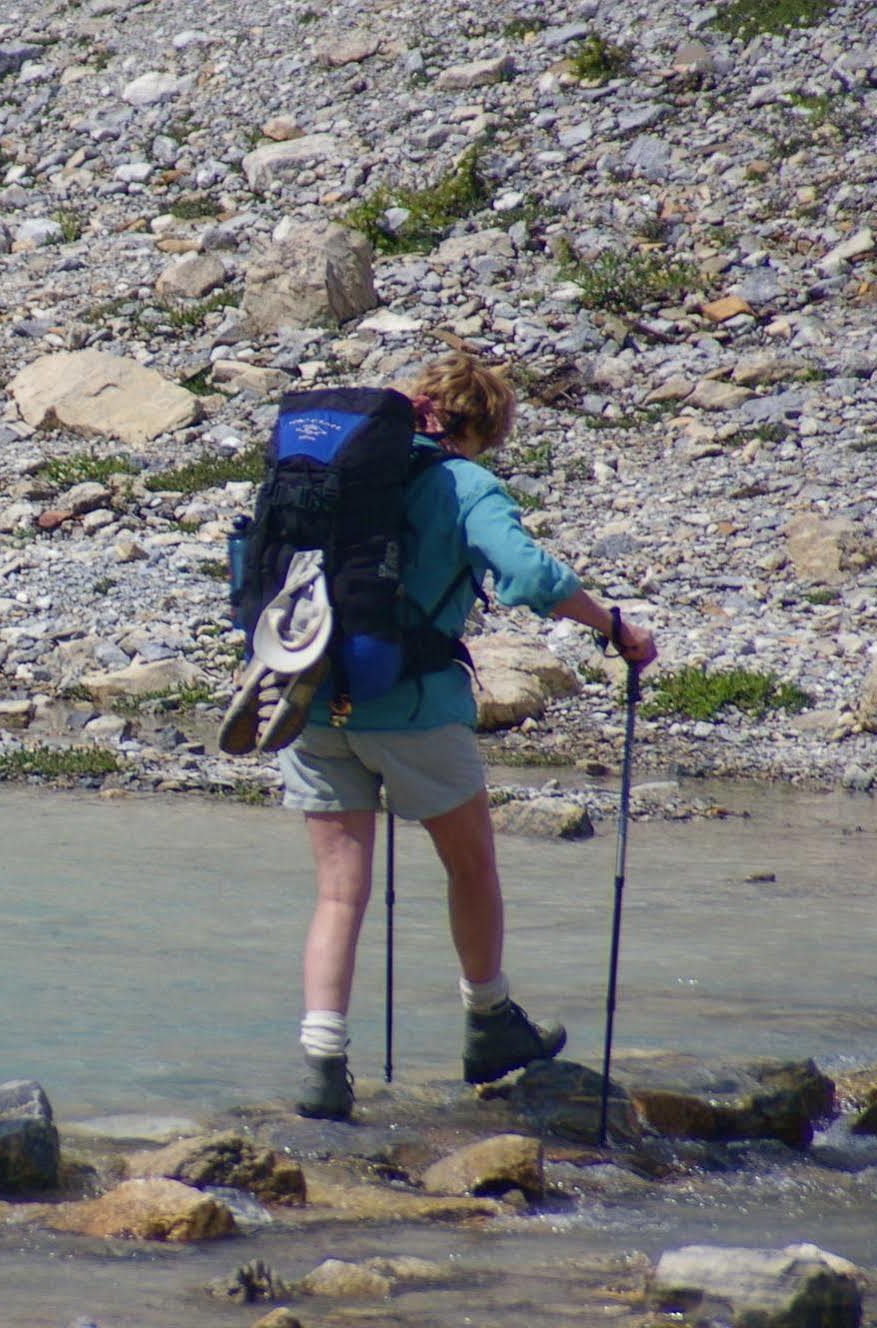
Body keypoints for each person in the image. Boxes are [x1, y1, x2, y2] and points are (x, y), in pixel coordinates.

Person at [280, 351, 657, 1121]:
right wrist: (613, 625)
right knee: (470, 866)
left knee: (337, 892)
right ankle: (488, 1022)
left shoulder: (335, 476)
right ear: (482, 429)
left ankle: (321, 1068)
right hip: (413, 707)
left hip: (311, 698)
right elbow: (527, 574)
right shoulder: (463, 483)